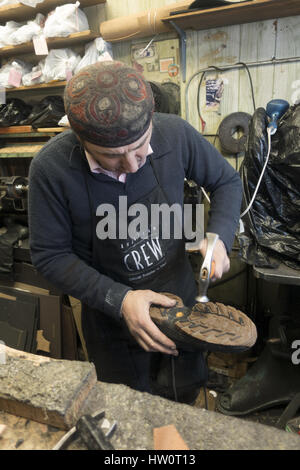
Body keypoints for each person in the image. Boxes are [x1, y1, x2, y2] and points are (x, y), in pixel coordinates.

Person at [28, 60, 242, 403]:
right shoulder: (51, 169)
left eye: (140, 148)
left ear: (152, 121)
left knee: (184, 401)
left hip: (183, 309)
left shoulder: (176, 133)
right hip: (114, 322)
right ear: (79, 138)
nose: (131, 165)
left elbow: (226, 182)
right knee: (130, 412)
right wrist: (121, 299)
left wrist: (218, 237)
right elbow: (49, 255)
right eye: (111, 157)